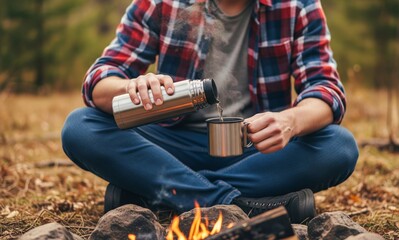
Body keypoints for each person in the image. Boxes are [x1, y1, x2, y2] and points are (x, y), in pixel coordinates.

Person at [62, 0, 358, 224]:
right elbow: (99, 81)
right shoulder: (163, 3)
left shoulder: (298, 5)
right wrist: (133, 86)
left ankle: (158, 194)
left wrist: (290, 121)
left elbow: (326, 90)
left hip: (257, 151)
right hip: (171, 147)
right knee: (81, 126)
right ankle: (238, 204)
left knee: (338, 146)